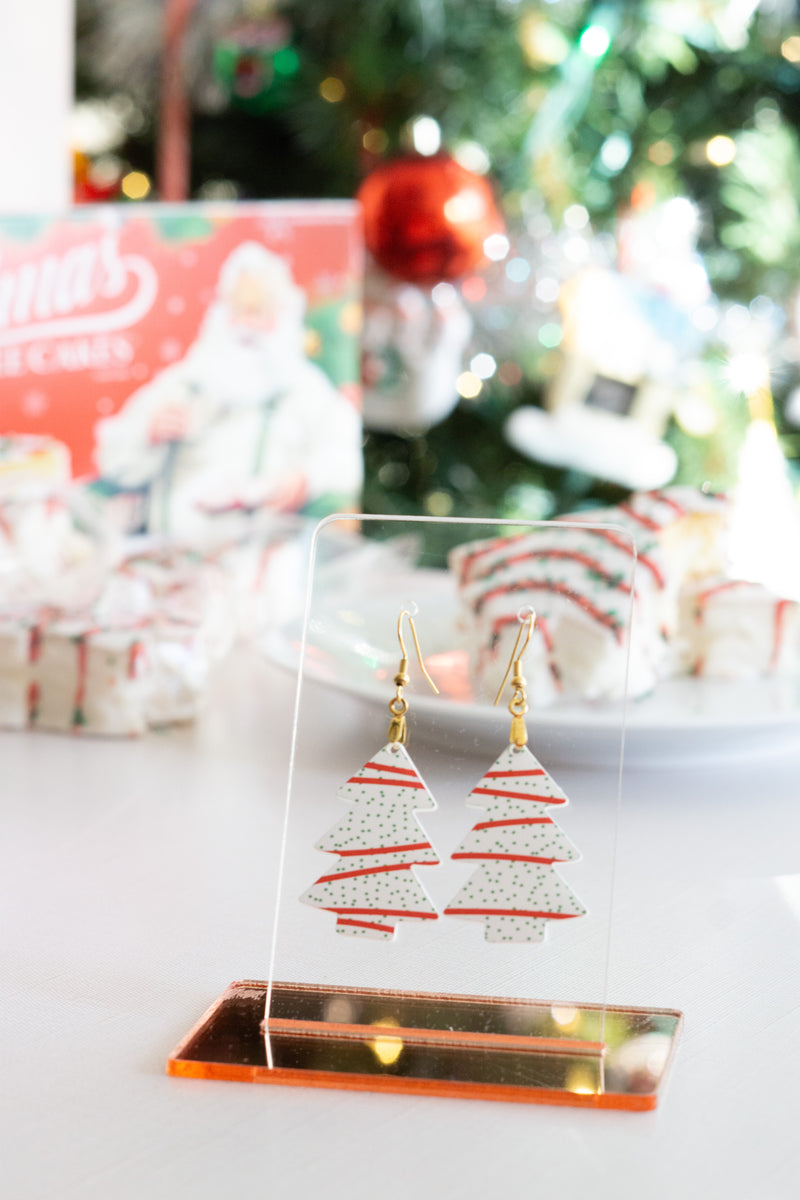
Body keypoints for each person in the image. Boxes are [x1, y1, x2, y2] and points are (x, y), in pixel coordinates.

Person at [94, 241, 362, 541]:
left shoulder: (305, 389)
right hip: (174, 559)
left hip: (260, 563)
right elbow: (111, 458)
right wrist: (149, 433)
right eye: (239, 310)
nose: (247, 326)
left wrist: (306, 481)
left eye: (259, 312)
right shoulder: (184, 382)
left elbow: (343, 460)